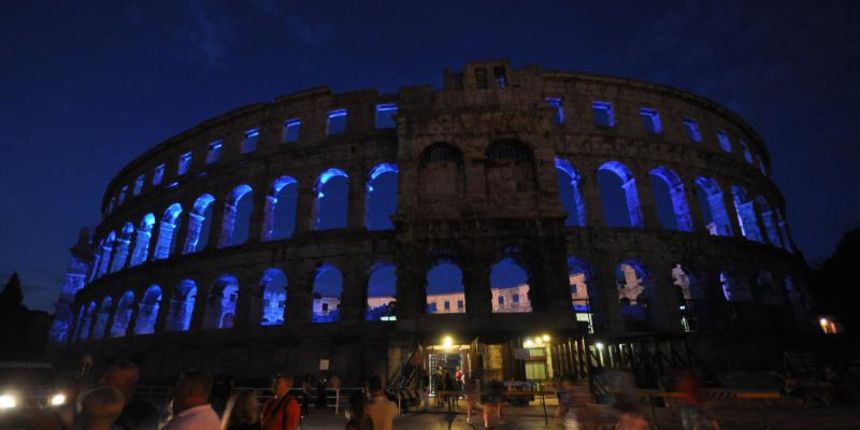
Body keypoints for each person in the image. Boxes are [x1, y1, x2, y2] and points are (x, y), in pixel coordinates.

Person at [101, 361, 159, 430]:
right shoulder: (95, 403)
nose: (102, 382)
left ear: (130, 385)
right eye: (107, 378)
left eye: (110, 378)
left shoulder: (146, 413)